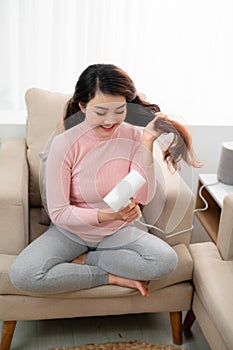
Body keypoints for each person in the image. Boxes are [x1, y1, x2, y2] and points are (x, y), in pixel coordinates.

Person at [10, 64, 199, 297]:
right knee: (23, 274)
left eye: (119, 110)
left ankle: (87, 260)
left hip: (117, 231)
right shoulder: (64, 144)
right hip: (71, 232)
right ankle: (108, 274)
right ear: (82, 106)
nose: (110, 120)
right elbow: (59, 212)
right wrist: (111, 215)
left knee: (165, 261)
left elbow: (144, 196)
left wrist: (147, 142)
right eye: (100, 112)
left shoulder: (132, 135)